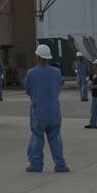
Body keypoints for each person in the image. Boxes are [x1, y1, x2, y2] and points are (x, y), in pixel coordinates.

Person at [23, 43, 69, 173]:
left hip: (39, 112)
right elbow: (60, 84)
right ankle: (60, 165)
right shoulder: (56, 72)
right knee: (55, 138)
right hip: (54, 111)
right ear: (48, 57)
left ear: (37, 56)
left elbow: (28, 90)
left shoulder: (31, 73)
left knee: (37, 138)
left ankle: (36, 165)